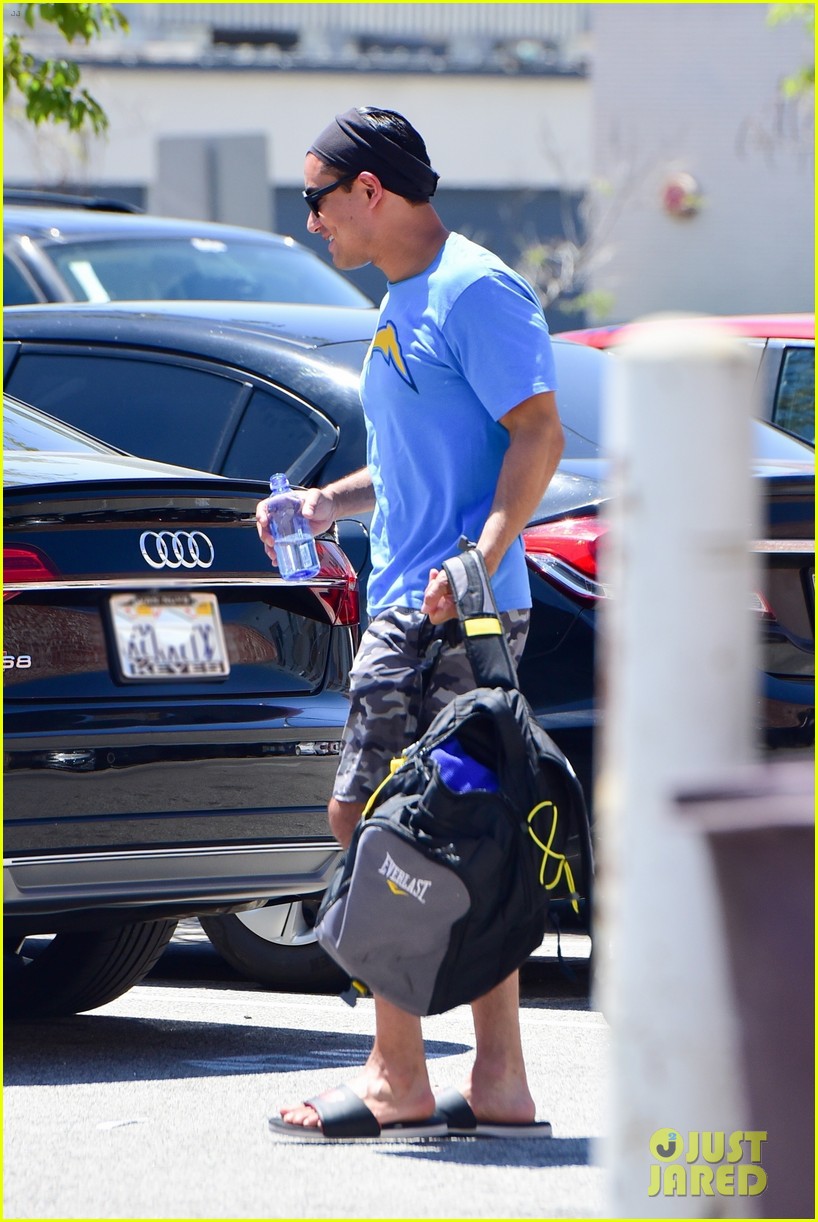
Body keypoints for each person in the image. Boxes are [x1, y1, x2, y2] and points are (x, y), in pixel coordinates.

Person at [257, 106, 564, 1142]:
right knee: (457, 832)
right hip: (411, 598)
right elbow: (404, 471)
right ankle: (502, 1080)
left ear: (369, 191)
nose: (310, 223)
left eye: (316, 198)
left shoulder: (474, 288)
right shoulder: (405, 298)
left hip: (450, 611)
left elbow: (538, 434)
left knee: (382, 821)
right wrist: (321, 507)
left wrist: (474, 563)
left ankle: (397, 1075)